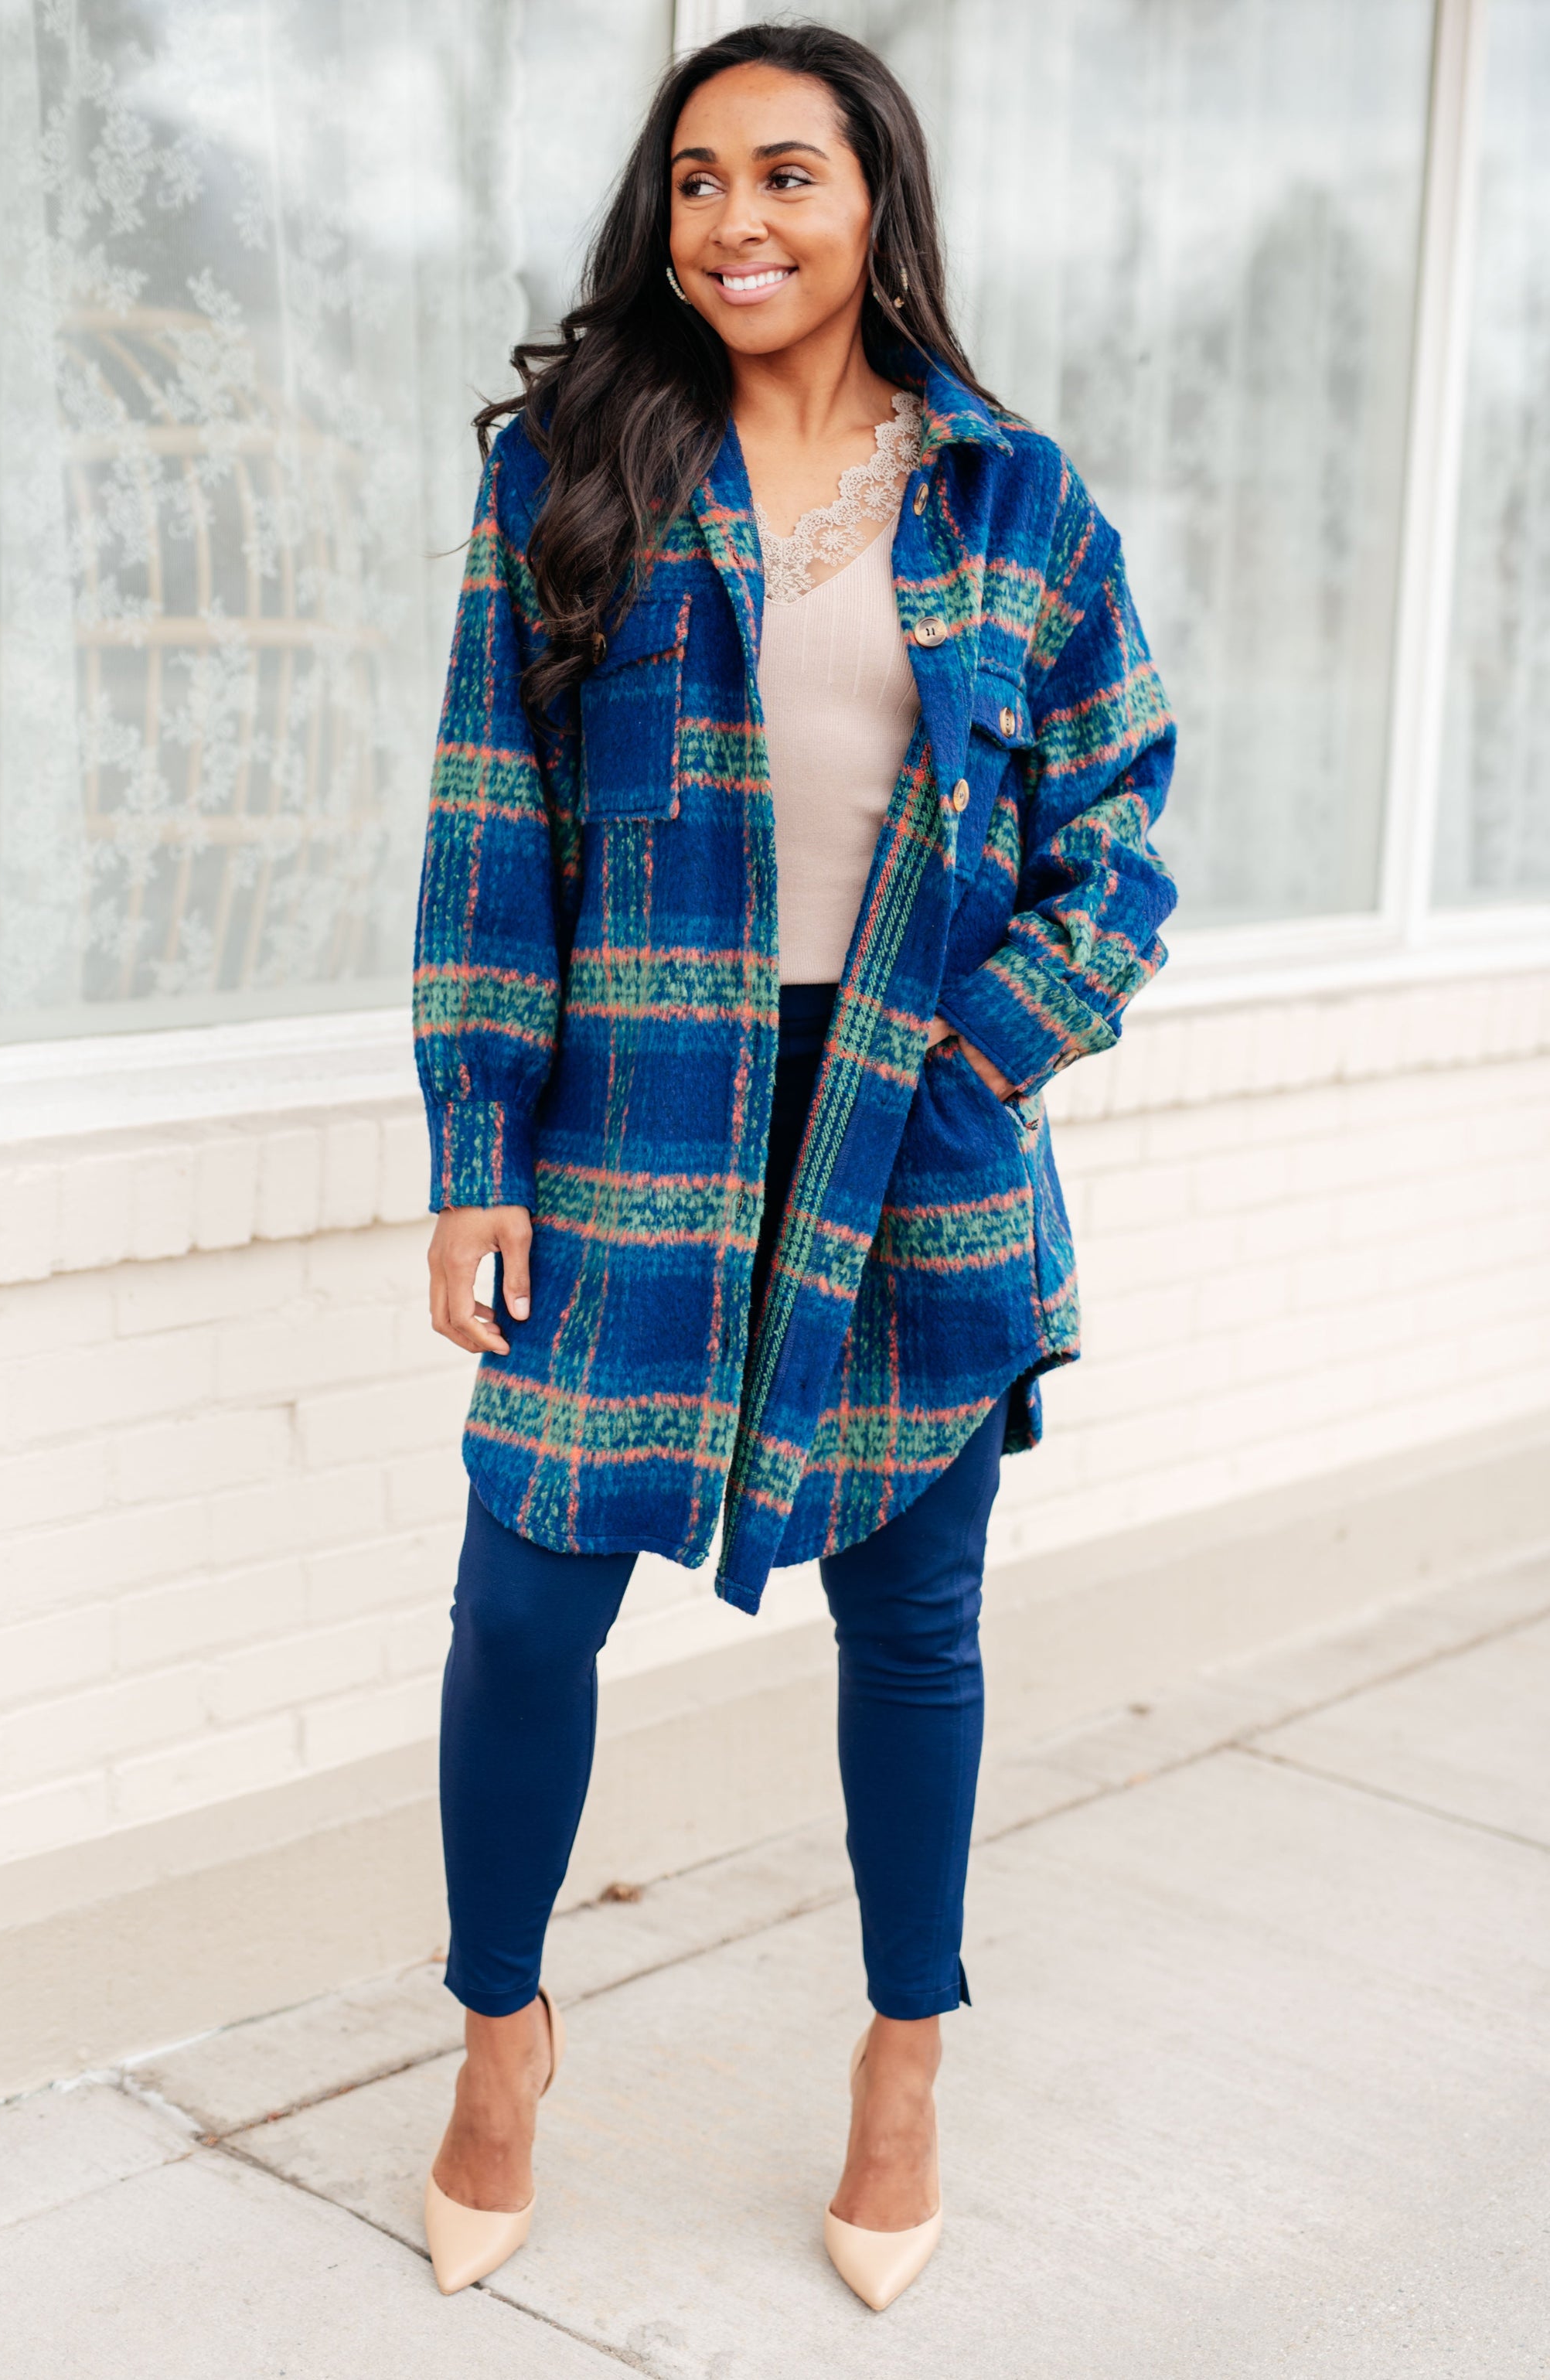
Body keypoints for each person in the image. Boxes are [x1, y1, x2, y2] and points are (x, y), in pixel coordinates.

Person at [412, 20, 1176, 2314]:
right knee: (524, 1605)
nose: (734, 220)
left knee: (914, 1625)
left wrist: (971, 1072)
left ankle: (904, 2059)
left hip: (907, 1132)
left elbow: (1119, 839)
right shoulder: (576, 473)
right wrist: (478, 1142)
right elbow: (490, 827)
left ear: (875, 205)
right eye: (697, 180)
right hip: (633, 1120)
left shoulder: (1016, 504)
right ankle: (498, 2036)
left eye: (786, 175)